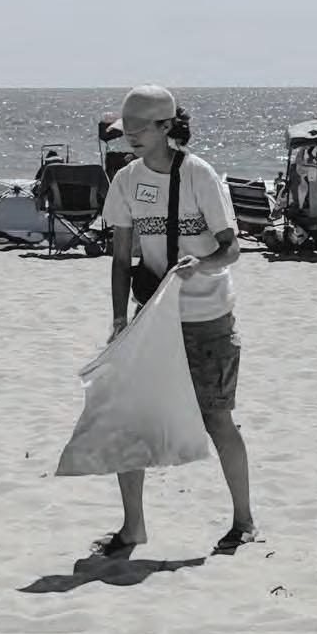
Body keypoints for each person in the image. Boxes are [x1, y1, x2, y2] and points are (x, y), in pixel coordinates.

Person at [101, 85, 256, 556]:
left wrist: (202, 265)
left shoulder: (198, 175)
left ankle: (244, 521)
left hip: (206, 316)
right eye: (125, 129)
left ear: (166, 126)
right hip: (152, 318)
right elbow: (121, 257)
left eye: (139, 128)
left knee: (217, 420)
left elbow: (232, 248)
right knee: (129, 420)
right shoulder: (126, 180)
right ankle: (132, 528)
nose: (130, 136)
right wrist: (119, 319)